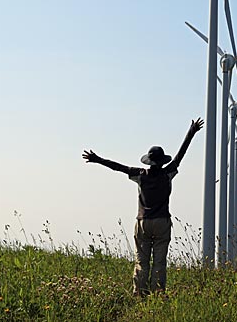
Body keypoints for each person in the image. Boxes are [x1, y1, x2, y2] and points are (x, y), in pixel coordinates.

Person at [82, 118, 204, 296]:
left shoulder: (140, 174)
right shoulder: (167, 173)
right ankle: (158, 293)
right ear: (162, 161)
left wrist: (97, 159)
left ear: (148, 161)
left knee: (142, 261)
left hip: (143, 222)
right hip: (162, 221)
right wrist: (191, 132)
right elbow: (180, 155)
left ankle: (139, 293)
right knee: (159, 262)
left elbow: (118, 167)